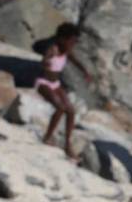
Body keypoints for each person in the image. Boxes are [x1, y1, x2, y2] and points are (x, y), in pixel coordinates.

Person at [36, 23, 93, 160]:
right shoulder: (53, 49)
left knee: (71, 111)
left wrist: (85, 71)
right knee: (60, 108)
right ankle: (47, 137)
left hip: (55, 84)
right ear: (62, 39)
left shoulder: (66, 51)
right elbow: (44, 60)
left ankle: (67, 144)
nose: (73, 44)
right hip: (44, 83)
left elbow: (74, 60)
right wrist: (46, 63)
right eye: (72, 41)